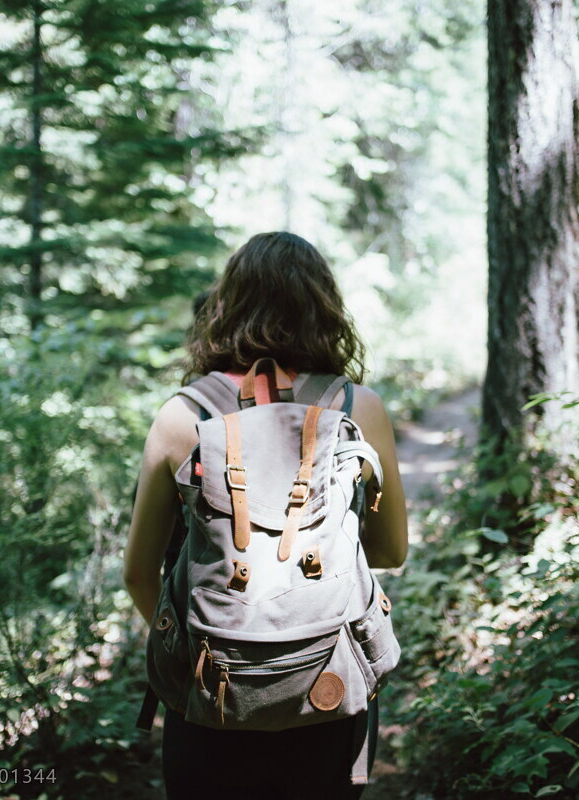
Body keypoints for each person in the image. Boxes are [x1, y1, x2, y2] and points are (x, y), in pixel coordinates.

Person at [123, 231, 408, 799]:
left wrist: (199, 643)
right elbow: (389, 552)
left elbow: (139, 572)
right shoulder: (358, 407)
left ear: (227, 306)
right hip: (327, 688)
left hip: (211, 696)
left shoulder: (183, 416)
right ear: (323, 308)